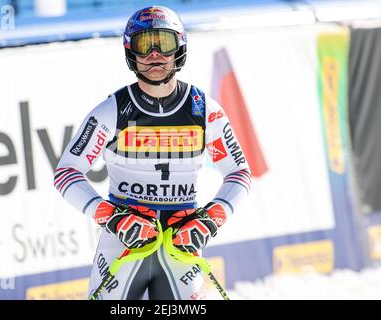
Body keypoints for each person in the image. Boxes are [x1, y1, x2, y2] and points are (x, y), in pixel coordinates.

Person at [54, 5, 251, 300]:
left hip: (181, 240)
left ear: (179, 48)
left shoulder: (205, 110)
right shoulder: (114, 109)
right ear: (130, 52)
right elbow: (67, 172)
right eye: (144, 45)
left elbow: (239, 173)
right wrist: (112, 217)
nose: (155, 54)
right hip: (125, 240)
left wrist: (210, 219)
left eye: (164, 43)